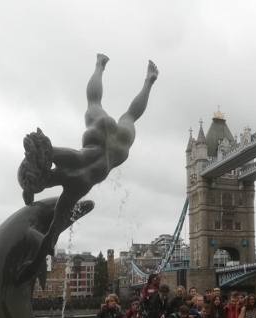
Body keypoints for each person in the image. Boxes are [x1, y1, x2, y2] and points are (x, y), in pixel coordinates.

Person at [17, 55, 158, 282]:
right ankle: (101, 65)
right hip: (100, 133)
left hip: (118, 150)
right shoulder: (65, 158)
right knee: (94, 103)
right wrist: (30, 176)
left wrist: (33, 266)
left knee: (130, 116)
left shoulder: (74, 190)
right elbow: (43, 147)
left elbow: (51, 235)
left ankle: (149, 82)